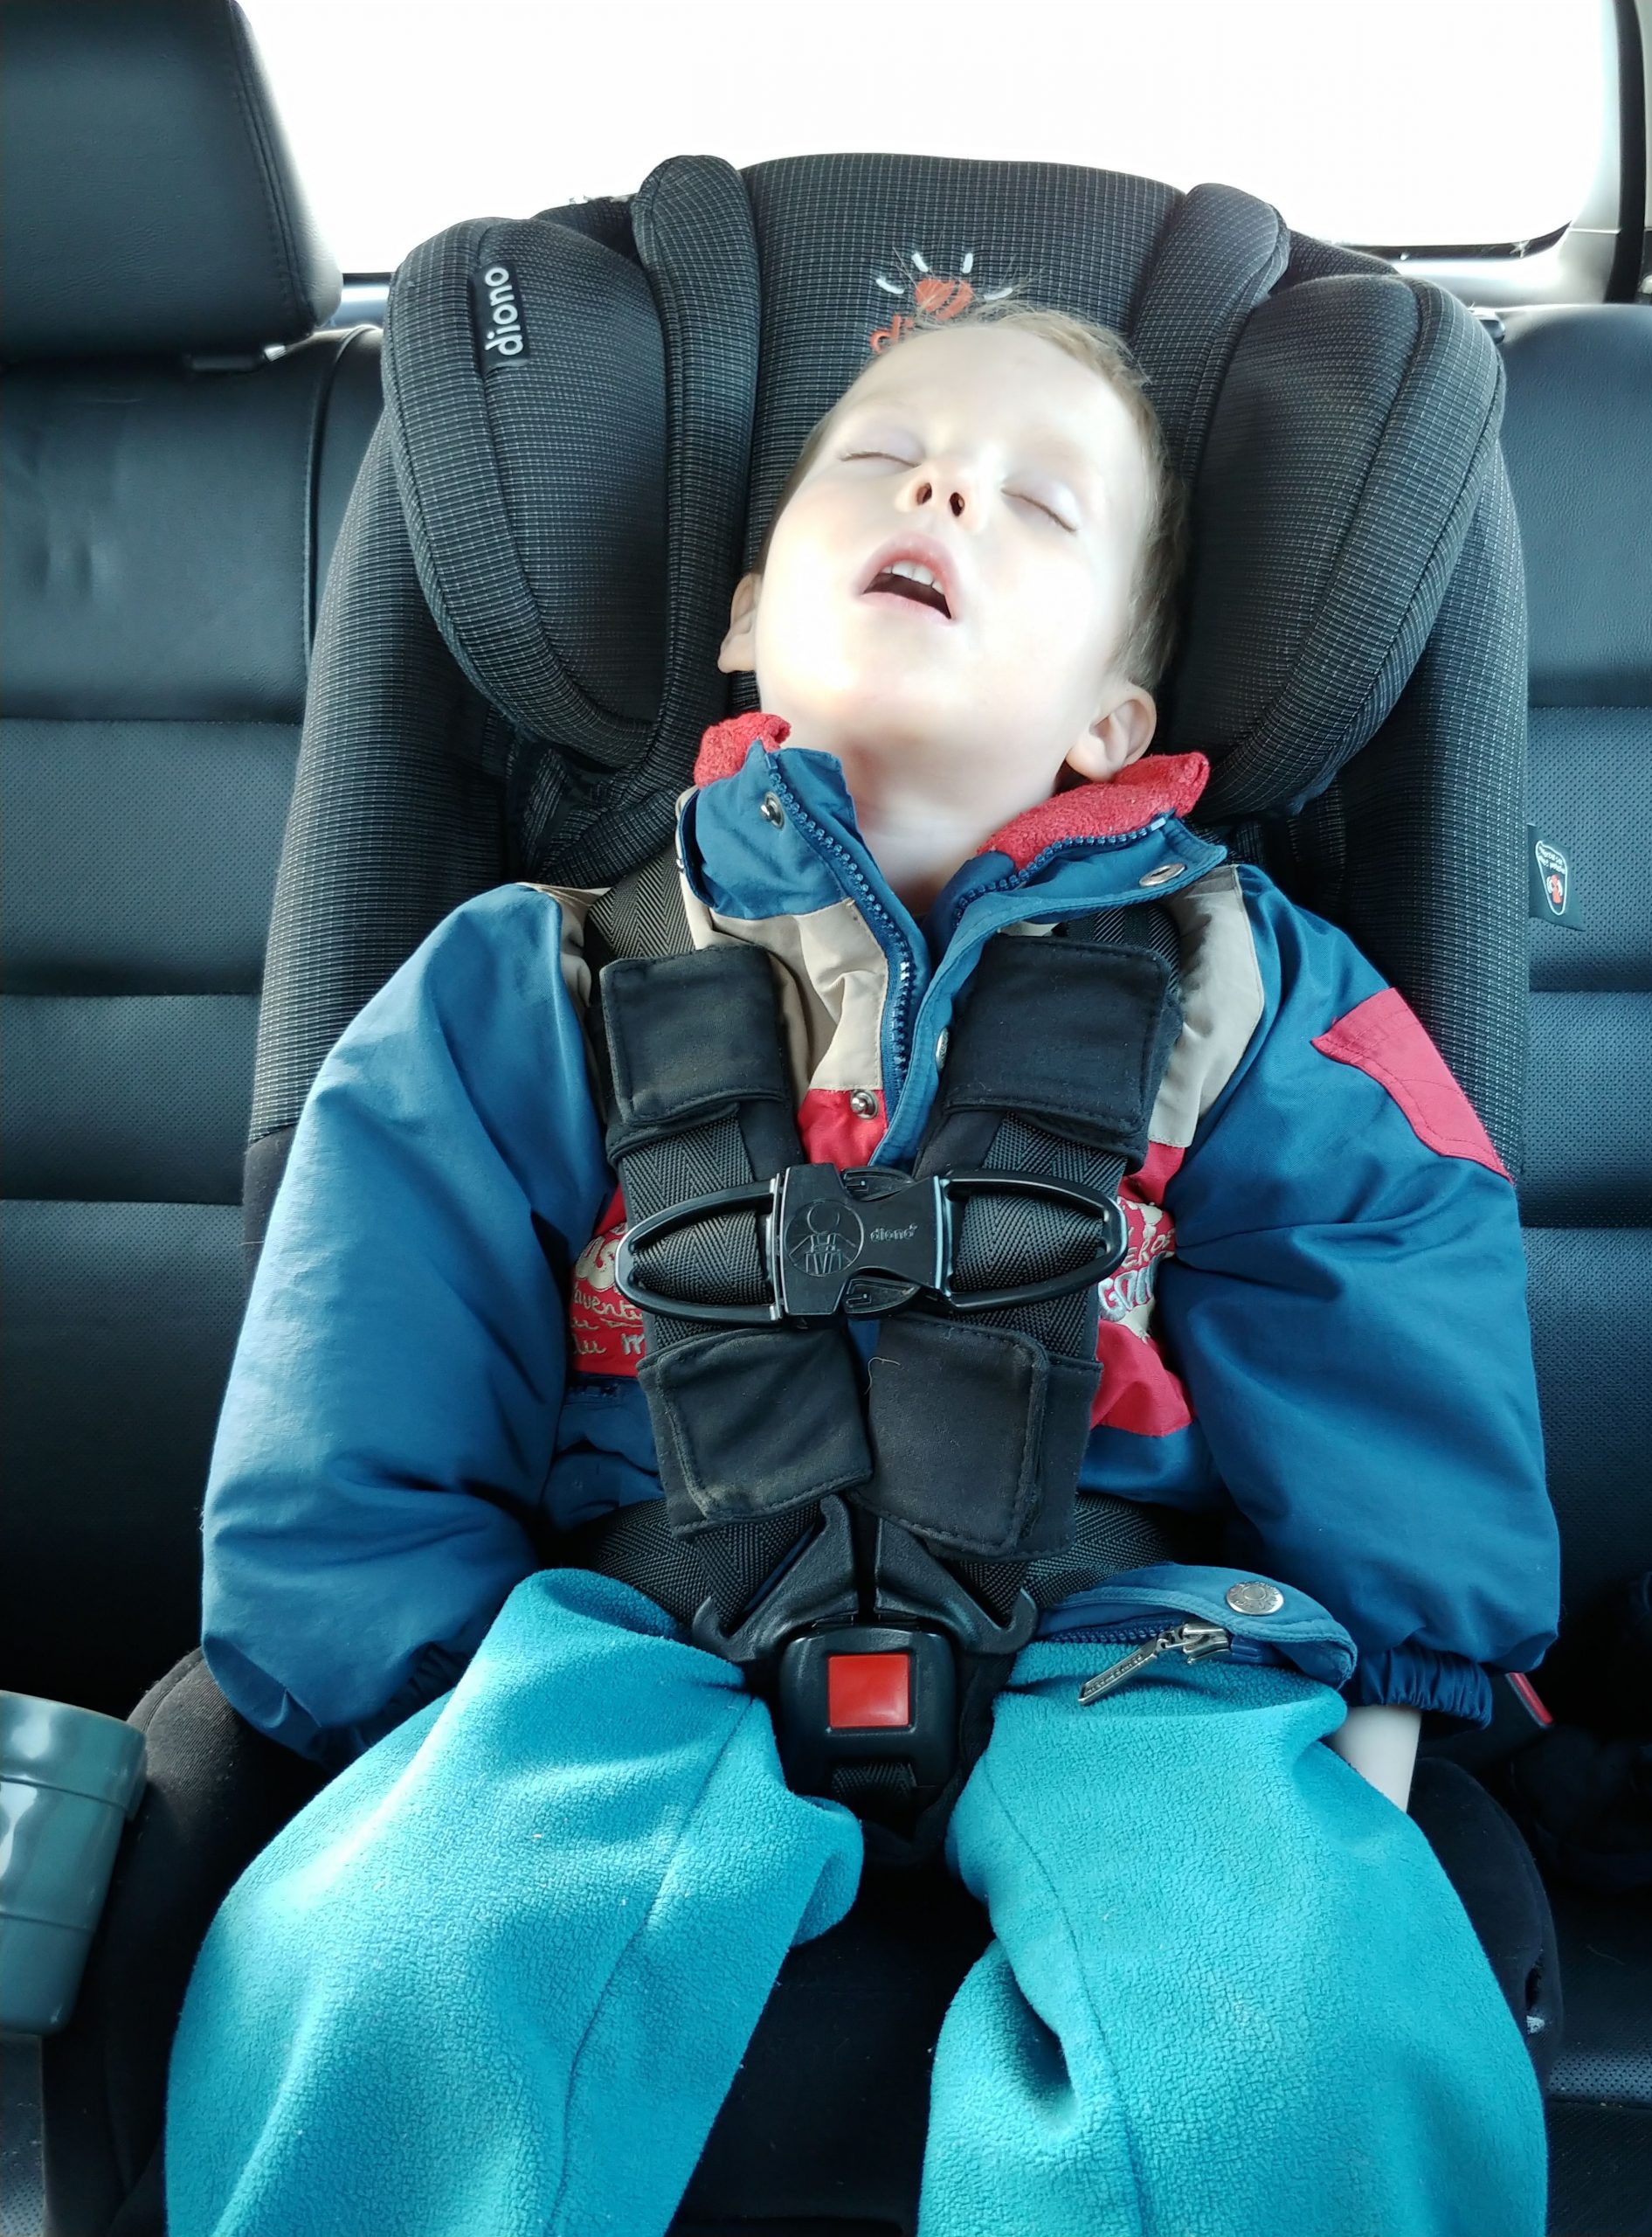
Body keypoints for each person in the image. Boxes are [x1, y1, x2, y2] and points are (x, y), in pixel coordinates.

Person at [168, 306, 1559, 2237]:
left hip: (1139, 1659)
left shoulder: (1253, 996)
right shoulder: (531, 979)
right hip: (627, 1638)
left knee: (1285, 2056)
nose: (948, 490)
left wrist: (1379, 1729)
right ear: (747, 613)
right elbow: (361, 1365)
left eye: (1040, 505)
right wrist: (420, 1727)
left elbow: (1388, 1307)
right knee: (393, 1994)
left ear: (1112, 722)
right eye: (880, 458)